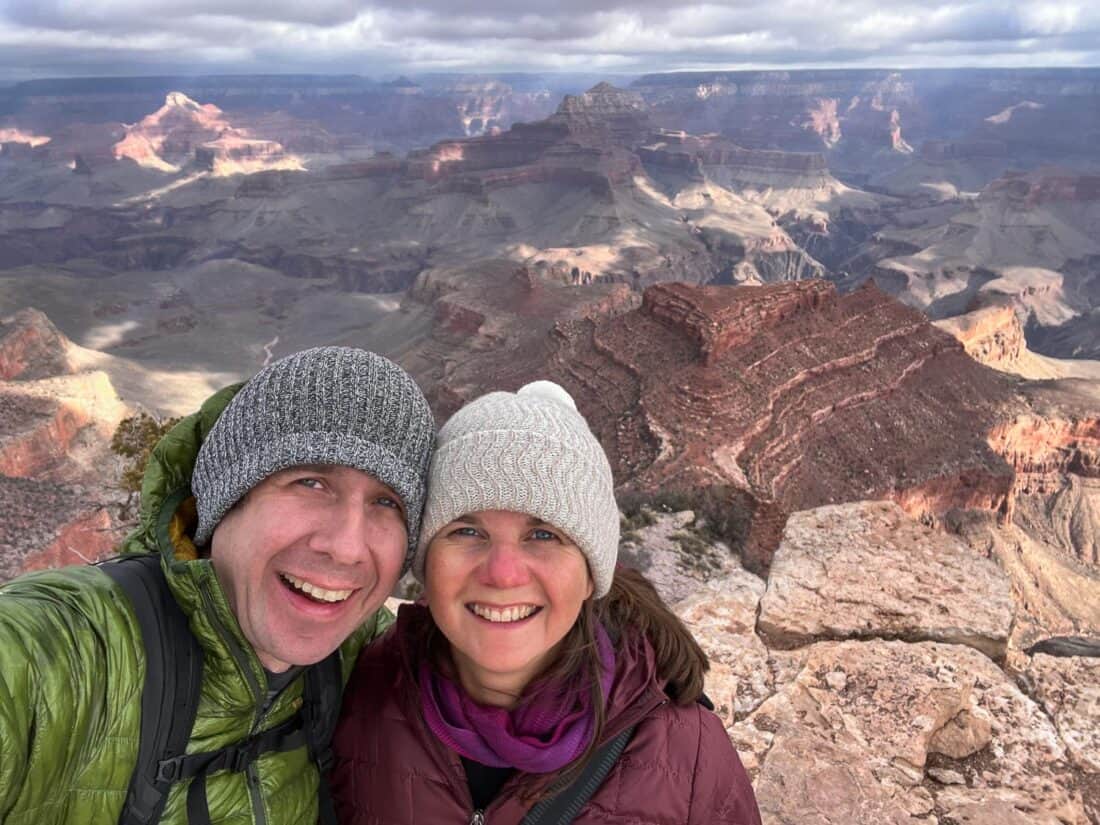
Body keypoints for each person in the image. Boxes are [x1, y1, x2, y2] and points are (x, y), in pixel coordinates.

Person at [0, 346, 435, 825]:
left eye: (387, 503)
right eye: (310, 482)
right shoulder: (72, 648)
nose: (346, 547)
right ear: (225, 501)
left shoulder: (372, 659)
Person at [333, 381, 761, 824]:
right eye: (467, 531)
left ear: (591, 574)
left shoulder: (688, 759)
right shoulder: (362, 695)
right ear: (426, 563)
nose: (502, 573)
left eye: (543, 535)